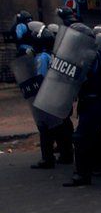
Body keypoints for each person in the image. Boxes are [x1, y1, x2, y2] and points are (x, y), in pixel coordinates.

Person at [64, 27, 101, 186]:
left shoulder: (87, 57)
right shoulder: (94, 53)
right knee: (96, 135)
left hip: (93, 102)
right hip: (93, 102)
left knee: (81, 137)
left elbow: (81, 78)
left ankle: (82, 175)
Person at [31, 24, 75, 170]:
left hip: (47, 96)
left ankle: (47, 159)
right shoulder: (54, 55)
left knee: (45, 128)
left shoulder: (42, 58)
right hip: (57, 94)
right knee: (59, 126)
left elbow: (41, 78)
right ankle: (66, 154)